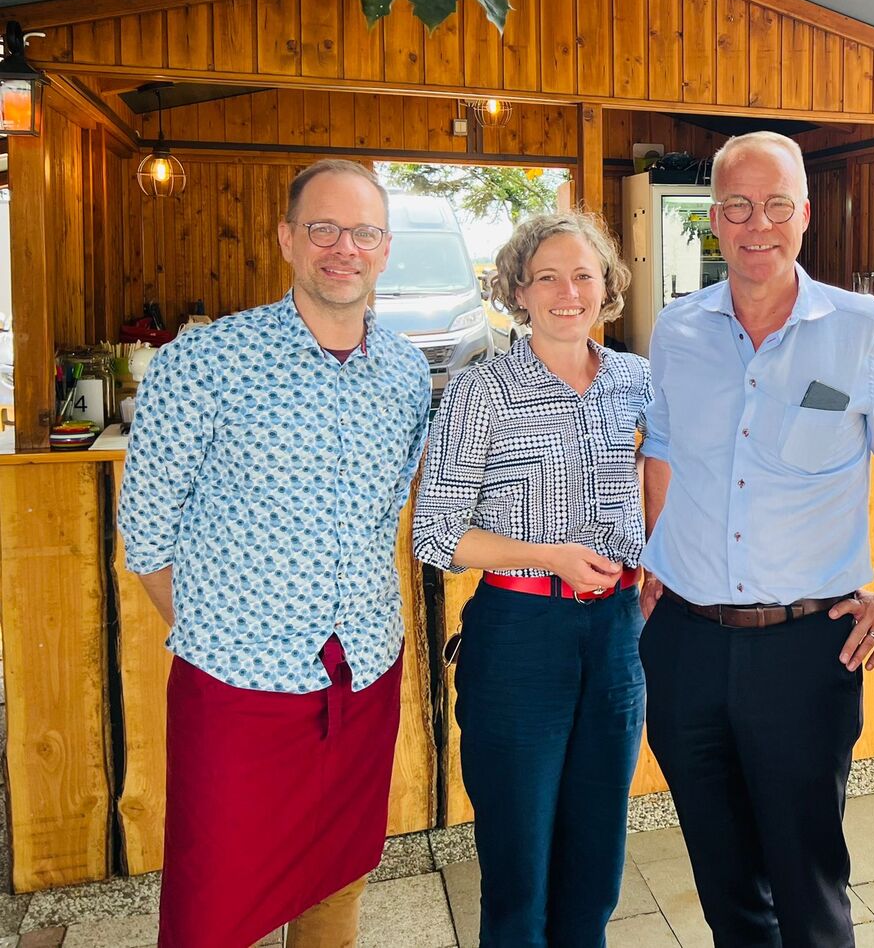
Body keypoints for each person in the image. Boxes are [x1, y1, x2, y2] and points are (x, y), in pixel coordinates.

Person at [119, 159, 432, 948]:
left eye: (363, 232)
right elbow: (147, 532)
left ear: (385, 250)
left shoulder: (405, 373)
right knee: (213, 910)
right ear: (287, 239)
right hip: (236, 689)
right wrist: (220, 636)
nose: (343, 248)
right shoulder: (205, 364)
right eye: (322, 228)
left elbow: (387, 511)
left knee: (336, 890)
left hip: (361, 672)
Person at [638, 131, 874, 947]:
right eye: (736, 206)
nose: (755, 223)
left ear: (803, 215)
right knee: (724, 882)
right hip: (686, 648)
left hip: (806, 650)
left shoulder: (861, 328)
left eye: (774, 205)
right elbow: (660, 449)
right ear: (713, 219)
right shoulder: (677, 330)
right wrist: (655, 555)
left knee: (808, 887)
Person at [413, 211, 650, 948]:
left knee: (598, 866)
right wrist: (550, 554)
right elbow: (435, 532)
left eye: (583, 274)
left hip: (617, 639)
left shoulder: (638, 382)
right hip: (518, 640)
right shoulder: (480, 391)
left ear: (607, 287)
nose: (566, 291)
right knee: (519, 873)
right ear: (519, 290)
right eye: (546, 276)